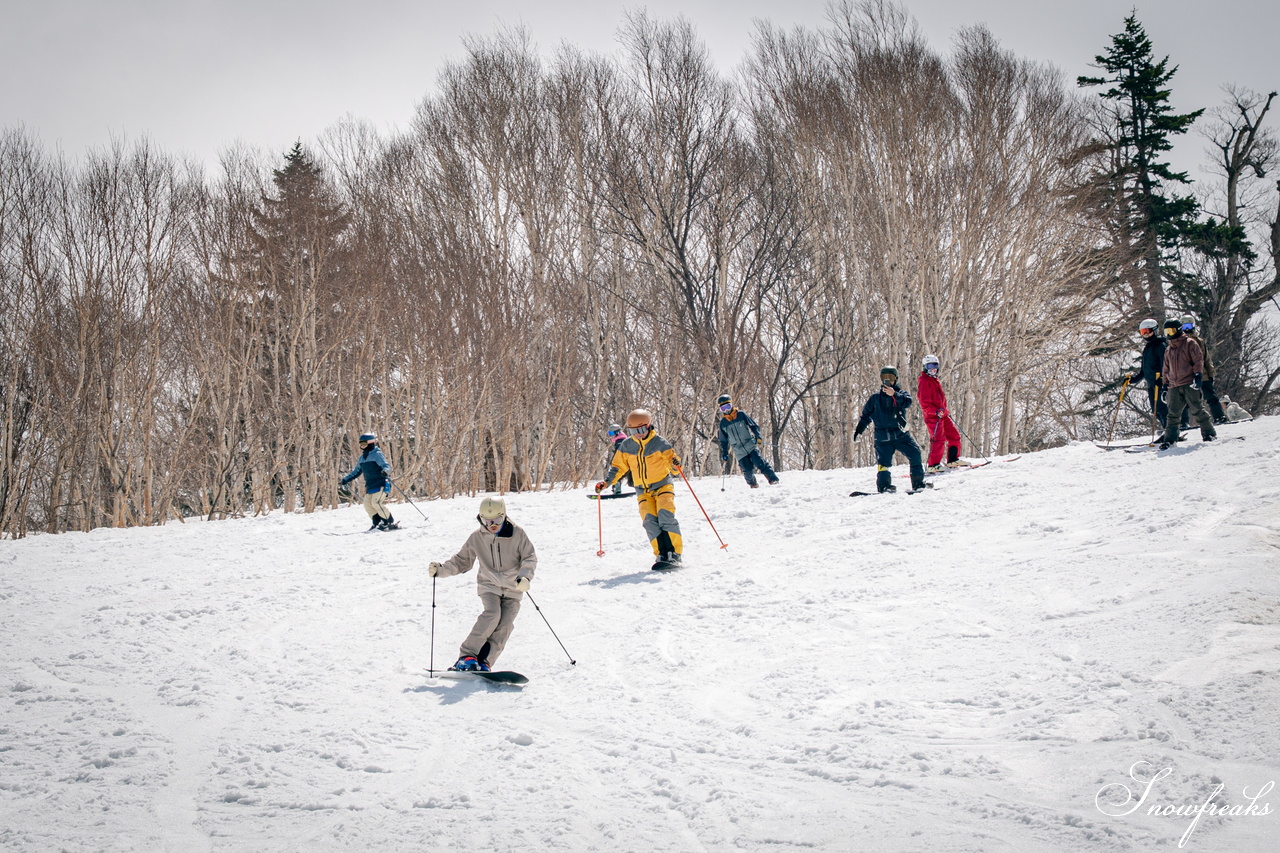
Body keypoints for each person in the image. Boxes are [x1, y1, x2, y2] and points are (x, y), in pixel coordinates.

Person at [428, 496, 537, 672]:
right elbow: (461, 561)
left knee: (505, 624)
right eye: (487, 521)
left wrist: (525, 577)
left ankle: (485, 661)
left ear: (504, 516)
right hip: (489, 585)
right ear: (481, 518)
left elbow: (529, 557)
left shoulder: (518, 534)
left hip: (513, 589)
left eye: (496, 520)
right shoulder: (477, 538)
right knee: (492, 614)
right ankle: (467, 656)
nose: (492, 524)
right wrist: (441, 570)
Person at [596, 408, 685, 569]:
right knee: (650, 521)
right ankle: (661, 554)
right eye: (633, 430)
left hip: (662, 484)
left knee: (665, 516)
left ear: (648, 426)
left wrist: (675, 464)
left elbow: (671, 461)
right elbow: (618, 467)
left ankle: (675, 553)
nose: (638, 433)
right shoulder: (626, 446)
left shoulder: (659, 443)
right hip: (643, 489)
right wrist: (607, 483)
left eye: (641, 429)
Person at [853, 366, 928, 493]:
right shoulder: (875, 398)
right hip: (883, 438)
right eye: (885, 378)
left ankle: (918, 483)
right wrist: (859, 431)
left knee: (915, 454)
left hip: (901, 435)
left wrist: (895, 395)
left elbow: (908, 402)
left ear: (896, 379)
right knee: (883, 463)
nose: (888, 381)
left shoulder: (901, 395)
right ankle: (884, 486)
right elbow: (866, 415)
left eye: (891, 378)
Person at [1158, 319, 1216, 450]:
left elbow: (1198, 360)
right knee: (1172, 414)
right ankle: (1170, 439)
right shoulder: (1168, 349)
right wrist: (1165, 386)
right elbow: (1165, 369)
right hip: (1174, 385)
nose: (1169, 334)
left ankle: (1209, 433)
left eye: (1172, 330)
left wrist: (1198, 375)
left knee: (1197, 409)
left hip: (1189, 382)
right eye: (1167, 331)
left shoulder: (1190, 343)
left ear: (1179, 329)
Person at [915, 355, 966, 473]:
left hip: (943, 415)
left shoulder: (935, 380)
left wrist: (944, 410)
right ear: (925, 367)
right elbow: (924, 404)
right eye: (930, 366)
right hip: (933, 417)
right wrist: (935, 411)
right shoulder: (924, 382)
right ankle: (933, 464)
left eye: (935, 366)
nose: (933, 369)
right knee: (938, 439)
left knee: (954, 435)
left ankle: (953, 459)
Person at [716, 394, 779, 489]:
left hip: (750, 445)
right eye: (723, 408)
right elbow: (723, 440)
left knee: (759, 463)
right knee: (747, 470)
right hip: (739, 450)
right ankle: (753, 485)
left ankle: (773, 479)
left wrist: (757, 436)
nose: (726, 410)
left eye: (727, 407)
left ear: (731, 405)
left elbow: (754, 426)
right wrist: (724, 452)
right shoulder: (723, 423)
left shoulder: (741, 415)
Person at [339, 432, 399, 531]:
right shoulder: (362, 458)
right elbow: (356, 471)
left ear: (370, 443)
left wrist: (385, 471)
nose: (362, 446)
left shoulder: (377, 454)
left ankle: (388, 522)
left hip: (381, 483)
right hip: (370, 485)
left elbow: (386, 466)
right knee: (367, 504)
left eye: (364, 443)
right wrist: (346, 479)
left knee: (376, 503)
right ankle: (377, 522)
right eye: (361, 444)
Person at [1180, 316, 1228, 424]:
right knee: (1186, 400)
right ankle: (1184, 423)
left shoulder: (1199, 341)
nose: (1187, 329)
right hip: (1187, 376)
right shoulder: (1180, 343)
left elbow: (1206, 358)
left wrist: (1211, 373)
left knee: (1211, 397)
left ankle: (1219, 417)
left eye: (1189, 326)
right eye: (1184, 326)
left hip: (1203, 374)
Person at [1125, 318, 1170, 428]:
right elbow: (1144, 370)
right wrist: (1133, 379)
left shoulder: (1161, 346)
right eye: (1143, 332)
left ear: (1154, 331)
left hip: (1160, 383)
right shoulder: (1147, 348)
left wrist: (1163, 380)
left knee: (1162, 408)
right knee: (1155, 409)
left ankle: (1171, 431)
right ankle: (1166, 429)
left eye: (1148, 331)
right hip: (1151, 383)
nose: (1145, 335)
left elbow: (1166, 365)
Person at [603, 424, 630, 496]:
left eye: (611, 433)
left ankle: (617, 490)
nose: (611, 435)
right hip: (625, 461)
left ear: (617, 432)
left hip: (623, 462)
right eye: (609, 433)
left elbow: (619, 453)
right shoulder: (621, 439)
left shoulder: (620, 440)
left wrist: (614, 460)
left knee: (617, 475)